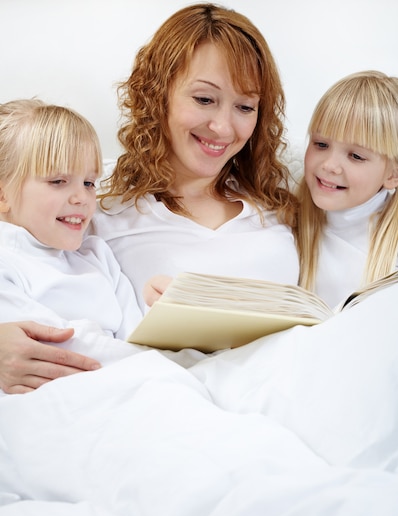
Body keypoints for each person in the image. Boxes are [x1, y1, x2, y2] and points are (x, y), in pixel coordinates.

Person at [0, 3, 301, 393]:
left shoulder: (283, 204)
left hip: (285, 390)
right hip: (168, 399)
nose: (223, 127)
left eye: (245, 107)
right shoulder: (93, 206)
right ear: (159, 95)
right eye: (205, 99)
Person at [0, 98, 144, 393]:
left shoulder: (97, 256)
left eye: (89, 183)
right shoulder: (7, 262)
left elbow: (139, 336)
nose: (81, 197)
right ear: (3, 197)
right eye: (58, 181)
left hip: (130, 384)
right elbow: (59, 348)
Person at [294, 70, 398, 308]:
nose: (329, 165)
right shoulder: (289, 218)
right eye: (321, 144)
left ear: (395, 174)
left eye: (355, 156)